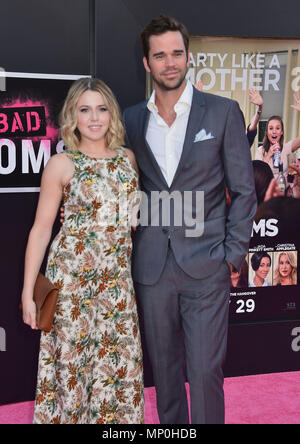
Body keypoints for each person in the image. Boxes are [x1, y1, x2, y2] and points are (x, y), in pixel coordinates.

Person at [123, 15, 257, 424]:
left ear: (187, 56)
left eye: (177, 53)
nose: (170, 63)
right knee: (164, 377)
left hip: (207, 265)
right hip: (151, 268)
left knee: (203, 373)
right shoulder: (130, 119)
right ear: (146, 63)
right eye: (159, 55)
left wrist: (232, 256)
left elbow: (245, 190)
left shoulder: (221, 112)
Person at [21, 77, 144, 424]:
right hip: (72, 285)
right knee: (71, 374)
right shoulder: (62, 165)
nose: (94, 118)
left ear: (112, 114)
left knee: (118, 372)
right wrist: (28, 292)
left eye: (102, 109)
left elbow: (132, 214)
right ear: (72, 116)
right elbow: (41, 230)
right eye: (85, 110)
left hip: (117, 288)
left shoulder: (128, 160)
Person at [255, 94, 300, 178]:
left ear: (282, 132)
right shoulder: (260, 151)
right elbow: (258, 174)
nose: (274, 132)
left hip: (283, 190)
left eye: (278, 128)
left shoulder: (287, 148)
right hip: (266, 190)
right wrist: (268, 154)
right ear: (267, 132)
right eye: (271, 128)